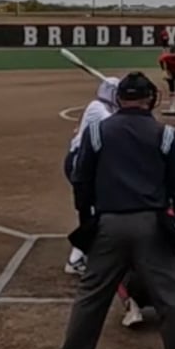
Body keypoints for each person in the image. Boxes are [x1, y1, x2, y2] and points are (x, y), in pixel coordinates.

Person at [53, 72, 175, 349]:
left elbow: (81, 180)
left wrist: (87, 221)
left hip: (108, 223)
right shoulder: (167, 135)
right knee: (172, 296)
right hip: (153, 225)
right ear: (150, 99)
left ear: (119, 99)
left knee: (91, 295)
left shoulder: (97, 131)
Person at [63, 75, 120, 276]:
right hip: (79, 164)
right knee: (93, 211)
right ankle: (76, 258)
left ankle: (87, 253)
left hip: (90, 165)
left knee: (96, 209)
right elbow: (114, 125)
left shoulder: (109, 109)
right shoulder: (96, 108)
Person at [157, 45, 175, 114]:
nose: (174, 56)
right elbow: (161, 61)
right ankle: (172, 104)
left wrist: (173, 76)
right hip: (170, 72)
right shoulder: (165, 57)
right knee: (171, 89)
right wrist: (164, 71)